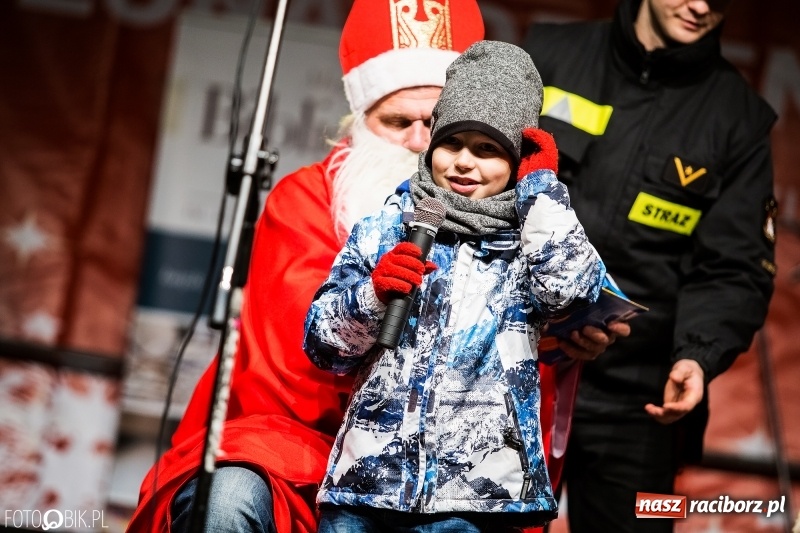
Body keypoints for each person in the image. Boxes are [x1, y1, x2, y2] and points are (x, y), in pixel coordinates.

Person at [126, 1, 486, 532]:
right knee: (227, 502)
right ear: (361, 121)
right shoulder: (304, 201)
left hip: (442, 465)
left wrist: (559, 339)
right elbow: (295, 365)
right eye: (397, 121)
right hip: (301, 447)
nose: (417, 142)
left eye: (434, 123)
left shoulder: (502, 212)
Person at [302, 40, 606, 533]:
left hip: (476, 504)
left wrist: (542, 190)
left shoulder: (533, 242)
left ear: (518, 160)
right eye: (453, 143)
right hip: (365, 492)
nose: (465, 162)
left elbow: (570, 290)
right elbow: (324, 347)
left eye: (488, 150)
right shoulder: (387, 227)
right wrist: (372, 297)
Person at [523, 0, 777, 531]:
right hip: (510, 368)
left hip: (639, 400)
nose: (702, 6)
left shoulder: (740, 118)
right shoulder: (546, 55)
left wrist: (699, 358)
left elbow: (733, 266)